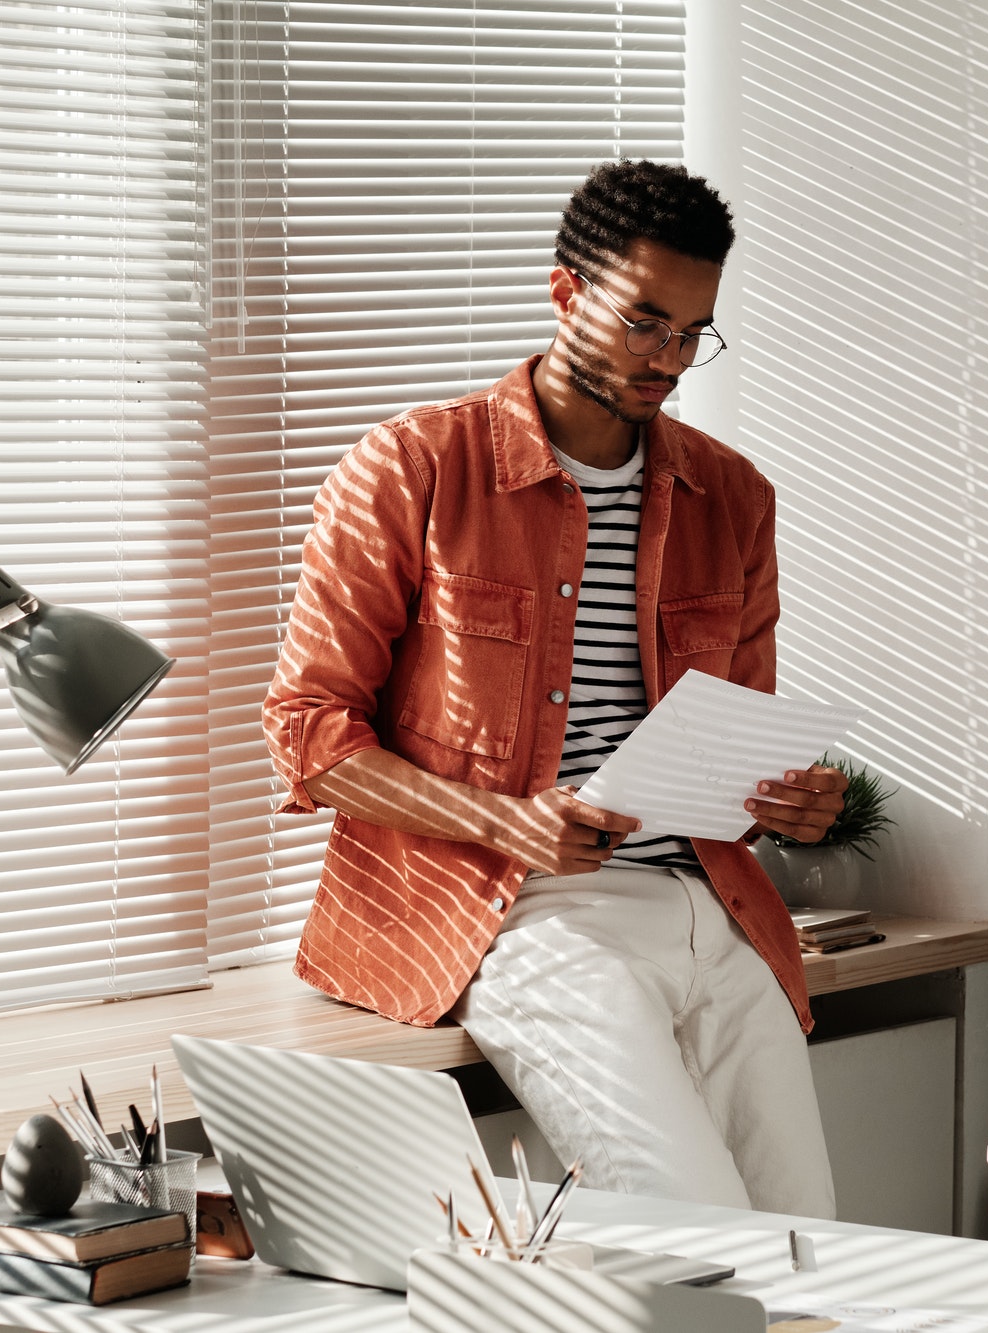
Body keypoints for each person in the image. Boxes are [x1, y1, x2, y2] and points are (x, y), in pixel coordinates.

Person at [265, 159, 846, 1216]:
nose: (668, 359)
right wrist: (507, 823)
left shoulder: (733, 495)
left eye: (691, 333)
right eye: (644, 323)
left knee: (813, 1235)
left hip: (711, 911)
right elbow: (307, 734)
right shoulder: (411, 467)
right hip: (521, 914)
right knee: (692, 1223)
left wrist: (788, 805)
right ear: (566, 292)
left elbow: (739, 745)